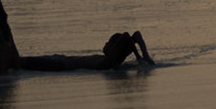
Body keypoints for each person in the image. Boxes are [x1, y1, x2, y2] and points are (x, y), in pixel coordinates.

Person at [19, 30, 155, 72]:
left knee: (23, 63)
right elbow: (136, 35)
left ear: (114, 47)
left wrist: (139, 57)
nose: (105, 44)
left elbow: (126, 36)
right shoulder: (113, 61)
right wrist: (145, 57)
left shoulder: (109, 61)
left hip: (60, 65)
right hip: (61, 60)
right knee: (23, 62)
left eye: (108, 42)